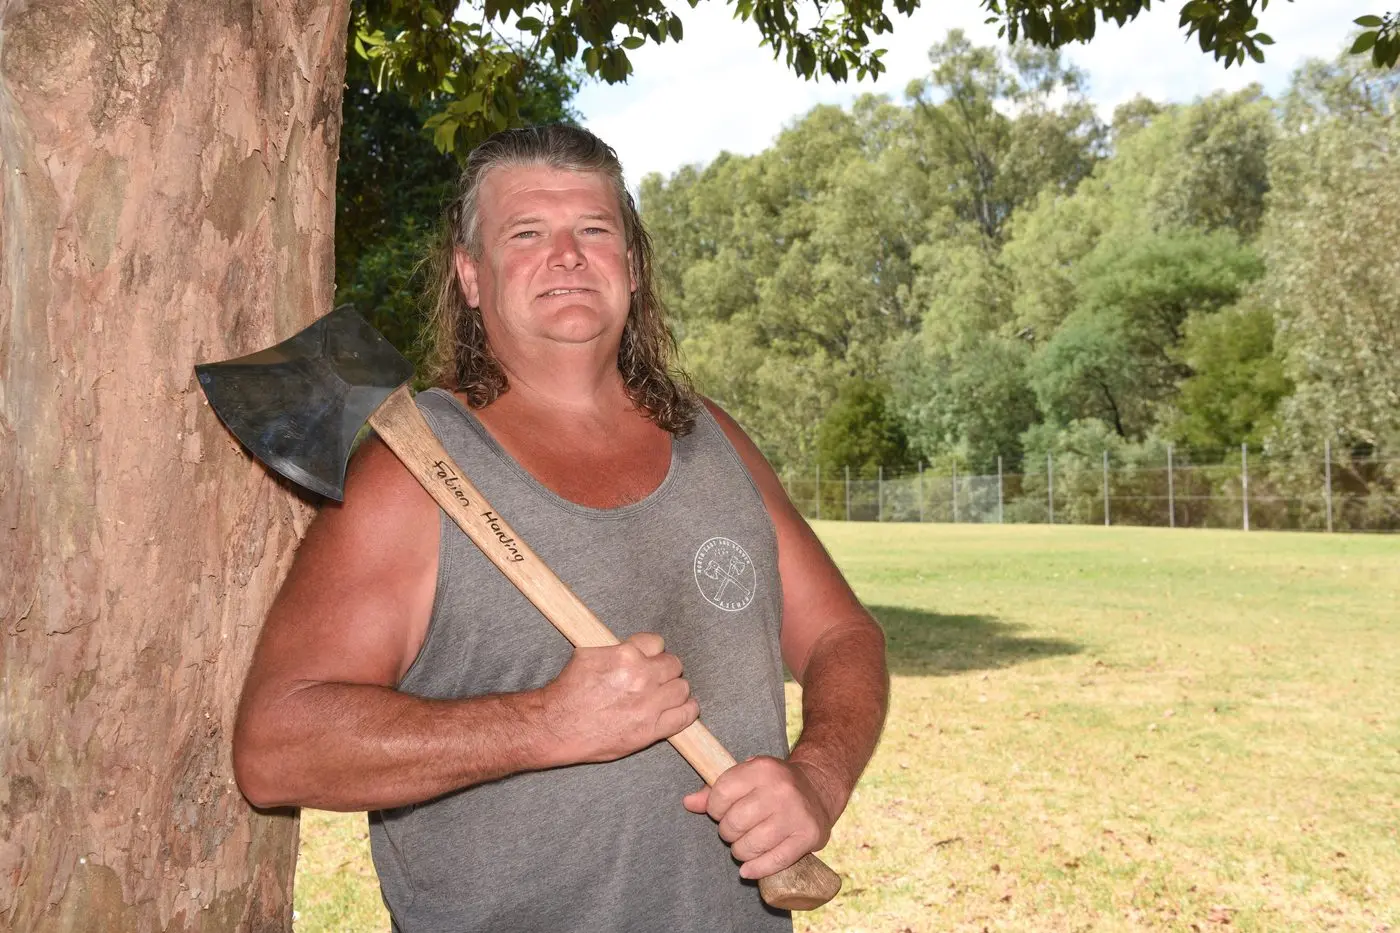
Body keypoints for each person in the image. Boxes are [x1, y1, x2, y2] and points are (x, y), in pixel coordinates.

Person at [231, 124, 888, 933]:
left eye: (594, 230)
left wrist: (817, 779)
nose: (569, 255)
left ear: (633, 267)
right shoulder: (411, 471)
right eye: (528, 233)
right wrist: (545, 723)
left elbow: (843, 636)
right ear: (472, 275)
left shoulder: (714, 439)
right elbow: (276, 747)